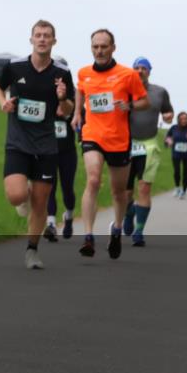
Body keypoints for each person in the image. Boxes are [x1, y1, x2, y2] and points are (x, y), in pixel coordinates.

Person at [0, 21, 74, 269]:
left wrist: (62, 98)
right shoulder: (15, 66)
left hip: (46, 146)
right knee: (16, 196)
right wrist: (3, 102)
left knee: (40, 203)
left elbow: (68, 109)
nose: (42, 39)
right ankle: (23, 197)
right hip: (18, 142)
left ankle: (32, 250)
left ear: (54, 41)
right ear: (31, 40)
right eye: (38, 35)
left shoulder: (61, 73)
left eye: (47, 36)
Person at [72, 29, 149, 260]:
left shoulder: (128, 75)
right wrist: (77, 112)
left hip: (118, 139)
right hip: (92, 135)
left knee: (119, 192)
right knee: (93, 179)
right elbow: (80, 89)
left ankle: (116, 229)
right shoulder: (84, 73)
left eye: (104, 46)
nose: (99, 51)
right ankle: (88, 236)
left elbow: (144, 101)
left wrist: (130, 106)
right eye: (95, 46)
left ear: (113, 48)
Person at [121, 57, 173, 247]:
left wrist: (168, 117)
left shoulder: (159, 92)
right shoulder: (124, 90)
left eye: (144, 68)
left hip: (149, 144)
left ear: (149, 71)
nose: (140, 70)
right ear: (132, 71)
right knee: (126, 192)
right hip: (126, 145)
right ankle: (128, 215)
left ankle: (139, 230)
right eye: (137, 68)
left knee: (144, 187)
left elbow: (168, 112)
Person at [45, 56, 79, 242]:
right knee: (49, 187)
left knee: (67, 189)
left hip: (67, 150)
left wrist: (69, 115)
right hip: (48, 149)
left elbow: (78, 117)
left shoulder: (73, 95)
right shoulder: (46, 93)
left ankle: (69, 216)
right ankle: (51, 223)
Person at [166, 113, 187, 199]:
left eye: (185, 118)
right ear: (178, 119)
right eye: (181, 119)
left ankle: (184, 191)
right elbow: (167, 137)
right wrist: (169, 141)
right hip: (176, 153)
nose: (183, 120)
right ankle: (177, 187)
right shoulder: (174, 128)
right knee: (177, 171)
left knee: (185, 173)